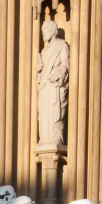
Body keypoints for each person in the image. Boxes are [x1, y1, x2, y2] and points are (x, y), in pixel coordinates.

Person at [36, 19, 70, 148]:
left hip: (54, 86)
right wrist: (39, 71)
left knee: (55, 113)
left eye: (45, 30)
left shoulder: (62, 45)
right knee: (44, 115)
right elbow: (39, 76)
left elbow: (65, 65)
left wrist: (58, 75)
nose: (43, 33)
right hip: (45, 87)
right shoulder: (44, 51)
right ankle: (45, 138)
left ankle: (55, 140)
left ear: (52, 30)